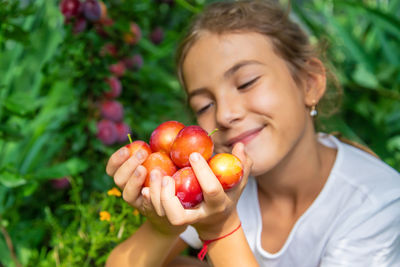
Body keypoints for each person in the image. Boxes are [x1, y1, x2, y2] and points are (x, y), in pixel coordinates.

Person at [105, 1, 400, 266]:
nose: (224, 114)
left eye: (246, 83)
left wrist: (220, 229)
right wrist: (163, 227)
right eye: (204, 104)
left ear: (309, 83)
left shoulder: (378, 202)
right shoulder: (214, 185)